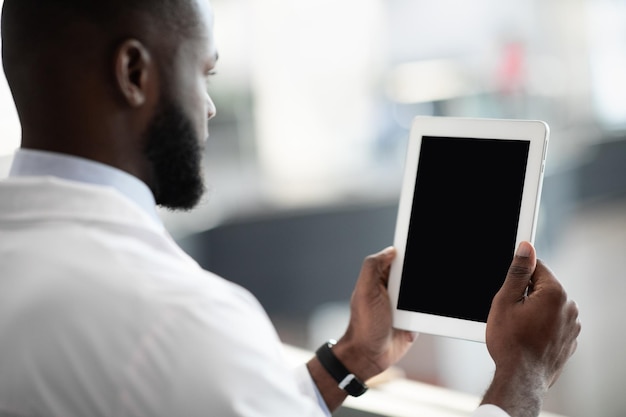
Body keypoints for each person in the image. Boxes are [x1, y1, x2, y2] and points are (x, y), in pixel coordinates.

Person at [0, 0, 580, 416]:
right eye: (203, 73)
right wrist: (521, 379)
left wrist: (351, 356)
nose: (208, 108)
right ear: (134, 73)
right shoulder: (179, 320)